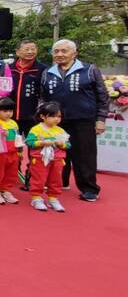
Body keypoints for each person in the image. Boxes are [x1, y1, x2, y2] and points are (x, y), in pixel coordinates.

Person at [39, 39, 108, 202]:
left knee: (84, 155)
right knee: (57, 153)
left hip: (82, 119)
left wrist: (101, 119)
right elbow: (42, 96)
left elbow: (102, 96)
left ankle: (89, 188)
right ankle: (59, 182)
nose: (60, 54)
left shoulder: (89, 70)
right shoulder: (48, 72)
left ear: (74, 53)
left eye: (64, 51)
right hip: (55, 121)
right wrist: (42, 115)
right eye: (56, 51)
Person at [9, 39, 47, 189]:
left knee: (34, 150)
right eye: (27, 49)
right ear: (18, 52)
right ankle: (13, 176)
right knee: (12, 149)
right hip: (10, 118)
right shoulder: (8, 69)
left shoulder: (43, 70)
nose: (31, 52)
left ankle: (32, 179)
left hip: (33, 118)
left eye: (33, 49)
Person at [26, 102, 70, 212]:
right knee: (38, 178)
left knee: (56, 179)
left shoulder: (60, 130)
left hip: (57, 159)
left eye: (59, 116)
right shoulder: (36, 129)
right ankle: (36, 198)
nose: (56, 119)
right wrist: (42, 143)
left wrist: (62, 144)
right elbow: (29, 142)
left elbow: (68, 145)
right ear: (42, 116)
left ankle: (53, 198)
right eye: (53, 116)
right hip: (40, 159)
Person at [0, 97, 21, 206]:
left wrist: (19, 151)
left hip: (13, 152)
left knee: (11, 173)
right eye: (5, 111)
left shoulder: (14, 124)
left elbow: (18, 138)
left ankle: (6, 190)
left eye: (10, 111)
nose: (8, 114)